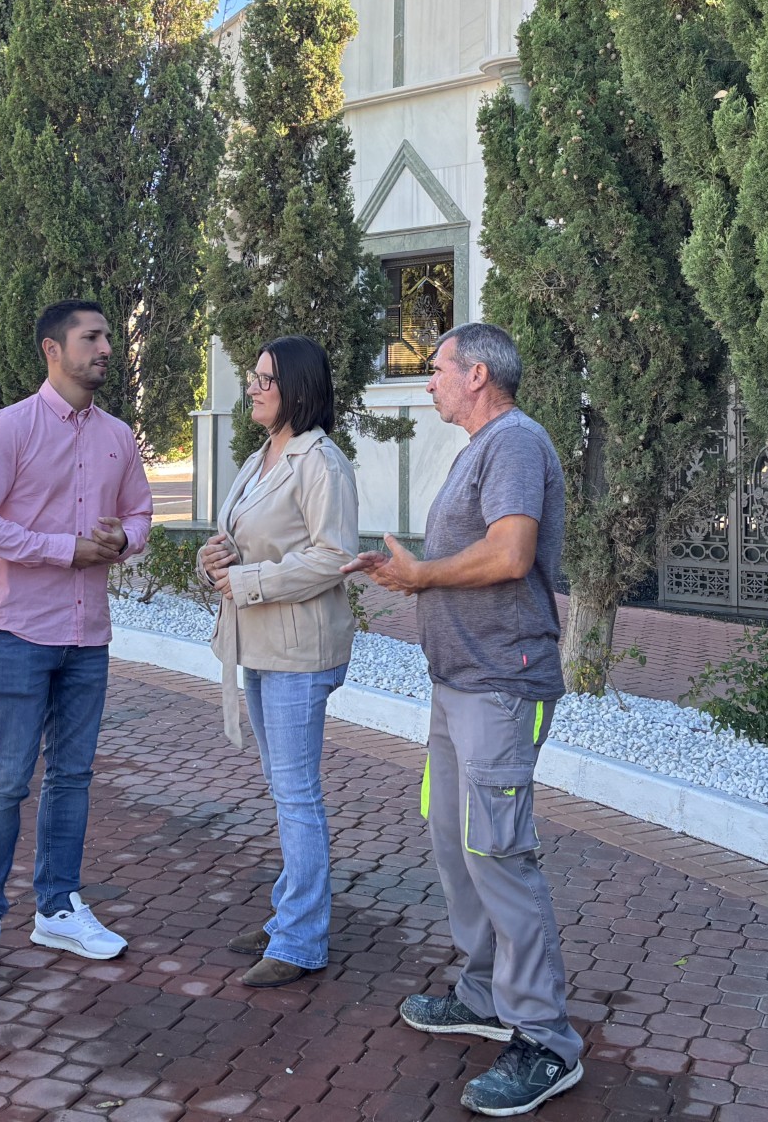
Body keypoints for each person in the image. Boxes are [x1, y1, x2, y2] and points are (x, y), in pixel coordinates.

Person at [344, 322, 583, 1117]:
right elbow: (463, 558)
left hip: (501, 683)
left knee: (498, 851)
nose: (429, 382)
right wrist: (407, 575)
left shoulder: (515, 442)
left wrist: (423, 576)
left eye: (439, 369)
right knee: (456, 841)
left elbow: (511, 553)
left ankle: (544, 1038)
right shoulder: (481, 447)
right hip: (458, 684)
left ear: (477, 374)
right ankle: (483, 993)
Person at [0, 299, 152, 983]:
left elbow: (141, 514)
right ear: (52, 351)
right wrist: (61, 550)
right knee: (6, 779)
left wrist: (124, 538)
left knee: (72, 776)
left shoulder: (120, 437)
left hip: (87, 637)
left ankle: (58, 908)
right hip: (17, 633)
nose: (105, 350)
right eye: (90, 338)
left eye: (106, 338)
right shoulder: (8, 430)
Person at [197, 337, 360, 988]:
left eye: (266, 378)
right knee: (284, 789)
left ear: (296, 387)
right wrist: (215, 559)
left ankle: (299, 941)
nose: (255, 387)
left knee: (297, 796)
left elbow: (333, 556)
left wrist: (252, 581)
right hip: (258, 644)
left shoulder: (321, 462)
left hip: (297, 648)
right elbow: (237, 543)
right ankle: (290, 916)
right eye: (253, 376)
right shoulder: (261, 457)